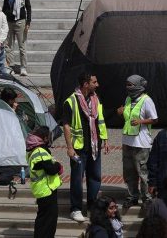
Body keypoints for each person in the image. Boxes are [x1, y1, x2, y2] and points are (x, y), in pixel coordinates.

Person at [61, 72, 109, 222]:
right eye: (94, 82)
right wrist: (69, 148)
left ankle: (92, 206)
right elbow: (66, 126)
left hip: (94, 145)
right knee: (77, 178)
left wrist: (105, 139)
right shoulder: (71, 101)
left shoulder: (96, 98)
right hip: (78, 148)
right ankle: (75, 209)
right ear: (85, 84)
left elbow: (100, 120)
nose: (97, 84)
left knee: (95, 177)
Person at [117, 75, 158, 209]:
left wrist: (141, 121)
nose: (128, 87)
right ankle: (132, 196)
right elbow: (127, 116)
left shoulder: (147, 100)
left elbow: (155, 119)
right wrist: (120, 112)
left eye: (130, 84)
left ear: (137, 86)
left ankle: (146, 198)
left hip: (141, 142)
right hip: (128, 140)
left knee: (142, 171)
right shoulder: (128, 99)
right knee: (129, 171)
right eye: (127, 84)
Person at [26, 126, 63, 238]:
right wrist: (58, 165)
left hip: (43, 189)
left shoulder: (33, 150)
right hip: (46, 189)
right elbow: (51, 170)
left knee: (43, 218)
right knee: (48, 221)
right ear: (45, 138)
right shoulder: (40, 151)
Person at [2, 0, 31, 76]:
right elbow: (5, 4)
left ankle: (23, 67)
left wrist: (28, 22)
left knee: (22, 46)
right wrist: (2, 18)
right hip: (8, 21)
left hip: (20, 21)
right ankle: (10, 66)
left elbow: (28, 6)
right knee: (8, 45)